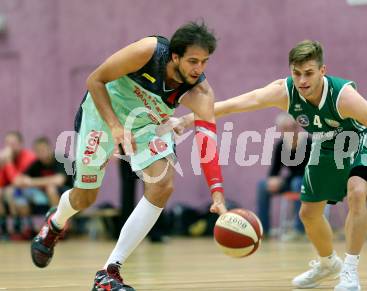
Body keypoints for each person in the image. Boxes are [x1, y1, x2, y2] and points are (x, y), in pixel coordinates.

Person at [168, 40, 367, 291]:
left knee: (357, 191)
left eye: (308, 73)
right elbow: (236, 104)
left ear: (322, 70)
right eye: (297, 73)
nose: (302, 80)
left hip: (362, 141)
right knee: (308, 214)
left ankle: (350, 270)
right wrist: (190, 120)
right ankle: (327, 263)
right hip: (326, 144)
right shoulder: (284, 92)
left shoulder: (343, 97)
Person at [30, 21, 227, 291]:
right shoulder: (149, 51)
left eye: (204, 62)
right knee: (85, 197)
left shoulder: (201, 92)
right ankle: (55, 222)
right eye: (193, 61)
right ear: (175, 56)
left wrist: (217, 193)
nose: (198, 69)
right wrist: (114, 126)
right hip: (103, 113)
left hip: (146, 124)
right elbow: (95, 80)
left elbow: (208, 144)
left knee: (163, 185)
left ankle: (109, 272)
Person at [257, 112, 311, 237]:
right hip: (291, 180)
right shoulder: (281, 145)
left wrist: (282, 180)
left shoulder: (308, 143)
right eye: (284, 129)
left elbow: (308, 170)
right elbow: (274, 170)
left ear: (296, 128)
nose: (288, 132)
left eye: (291, 128)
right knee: (262, 186)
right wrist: (273, 179)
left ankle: (299, 230)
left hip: (308, 181)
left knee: (297, 183)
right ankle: (263, 230)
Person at [10, 137, 72, 239]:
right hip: (46, 197)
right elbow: (18, 180)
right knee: (18, 193)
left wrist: (31, 182)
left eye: (43, 150)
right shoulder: (36, 164)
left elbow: (59, 180)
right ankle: (26, 228)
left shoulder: (61, 159)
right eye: (38, 151)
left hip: (68, 195)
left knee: (50, 188)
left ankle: (59, 227)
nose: (41, 153)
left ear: (50, 149)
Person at [0, 131, 36, 239]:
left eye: (13, 144)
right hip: (9, 190)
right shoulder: (4, 158)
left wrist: (9, 162)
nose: (10, 148)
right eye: (8, 144)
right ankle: (4, 229)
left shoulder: (29, 157)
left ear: (21, 144)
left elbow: (17, 181)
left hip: (30, 189)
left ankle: (20, 227)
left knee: (12, 191)